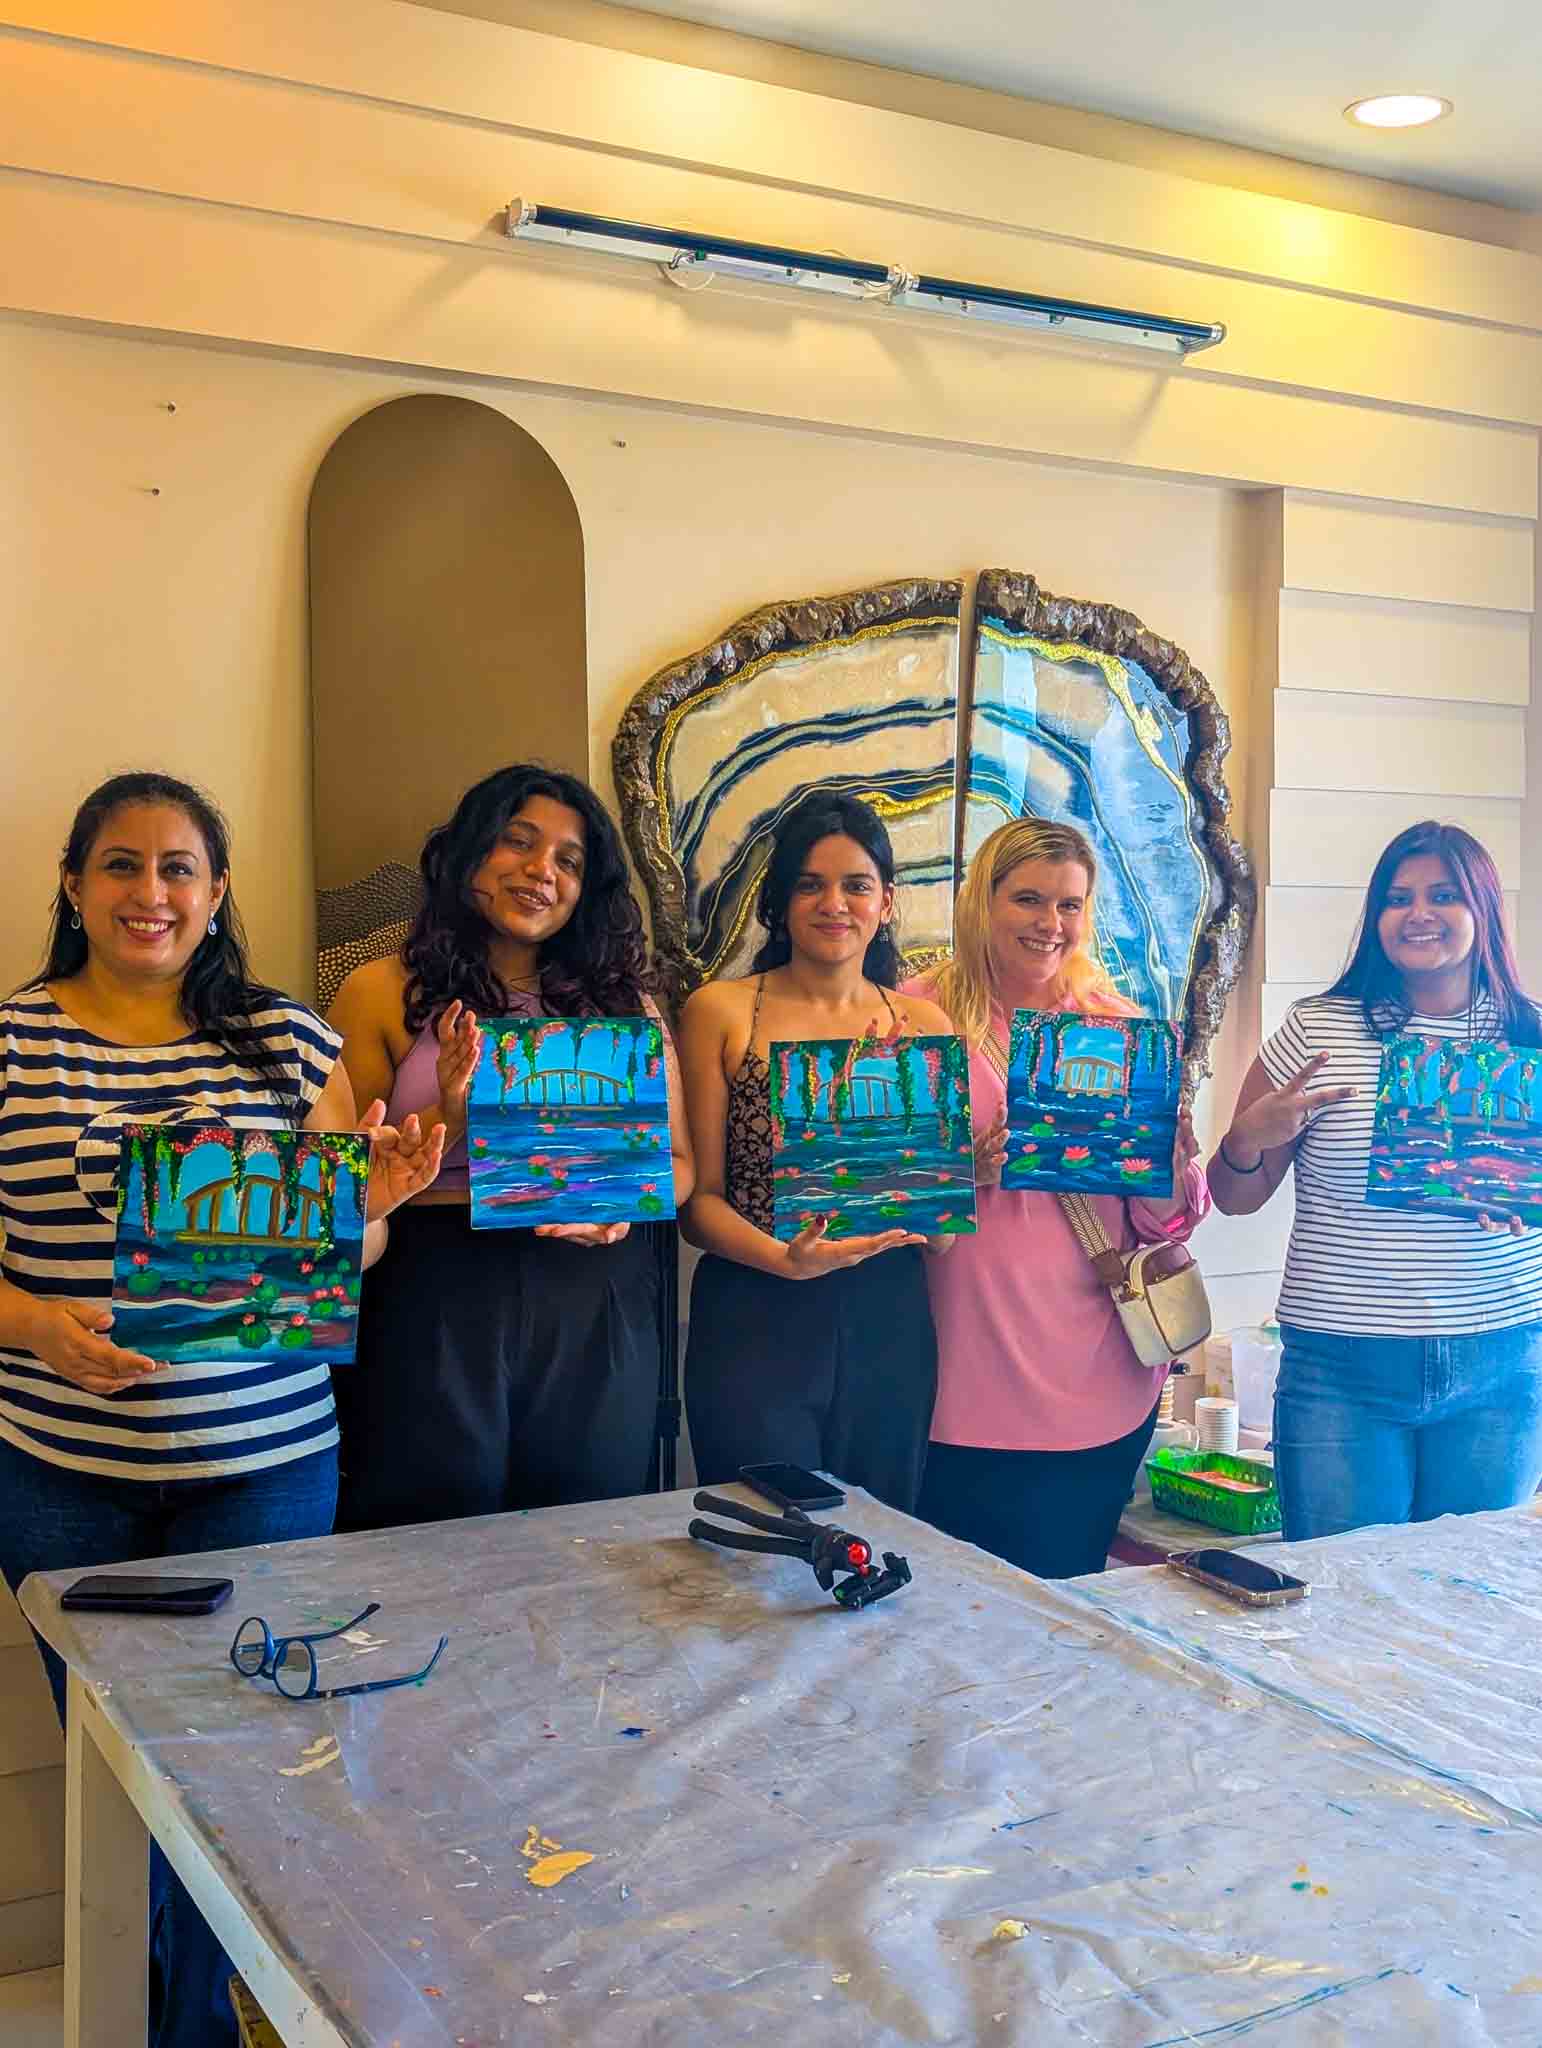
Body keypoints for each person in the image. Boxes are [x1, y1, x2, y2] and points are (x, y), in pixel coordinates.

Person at [0, 771, 442, 2048]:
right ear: (74, 884)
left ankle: (194, 2022)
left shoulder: (287, 1039)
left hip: (264, 1469)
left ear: (218, 890)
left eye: (180, 866)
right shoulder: (14, 1040)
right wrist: (34, 1324)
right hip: (58, 1474)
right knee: (115, 1776)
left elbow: (332, 1265)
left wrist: (374, 1206)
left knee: (231, 1772)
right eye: (124, 865)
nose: (152, 893)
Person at [327, 764, 694, 1529]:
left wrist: (619, 1205)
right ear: (467, 856)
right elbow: (345, 1183)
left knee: (587, 1535)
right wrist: (452, 1116)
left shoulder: (626, 1004)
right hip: (433, 1286)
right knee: (429, 1529)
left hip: (595, 1289)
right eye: (516, 843)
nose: (541, 872)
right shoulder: (380, 990)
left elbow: (682, 1167)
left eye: (568, 860)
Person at [1209, 820, 1542, 1541]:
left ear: (1482, 909)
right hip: (1341, 1366)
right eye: (1398, 898)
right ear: (1377, 919)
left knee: (1466, 1602)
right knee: (1335, 1597)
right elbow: (1234, 1198)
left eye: (1443, 895)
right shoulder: (1316, 1030)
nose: (1418, 913)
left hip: (1500, 1360)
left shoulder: (1531, 1039)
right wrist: (1243, 1141)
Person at [907, 818, 1208, 1578]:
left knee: (1072, 1606)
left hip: (1097, 1370)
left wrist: (1169, 1165)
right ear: (983, 899)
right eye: (1029, 899)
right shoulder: (914, 1017)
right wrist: (960, 1171)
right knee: (955, 1613)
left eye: (1069, 905)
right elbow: (875, 1184)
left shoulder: (1118, 1027)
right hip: (953, 1375)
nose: (1050, 924)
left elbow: (1160, 1219)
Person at [677, 791, 953, 1512]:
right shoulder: (720, 1010)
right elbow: (699, 1204)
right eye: (810, 883)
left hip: (889, 1317)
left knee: (886, 1534)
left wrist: (961, 1184)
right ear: (780, 901)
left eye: (857, 885)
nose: (835, 903)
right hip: (756, 1312)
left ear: (886, 901)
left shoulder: (921, 1025)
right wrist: (784, 1261)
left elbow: (941, 1236)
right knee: (762, 1542)